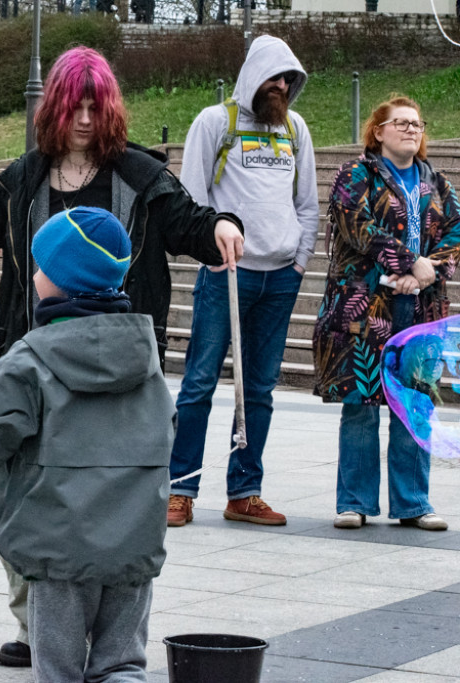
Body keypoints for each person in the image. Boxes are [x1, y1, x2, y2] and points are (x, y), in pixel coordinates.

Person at [0, 45, 243, 667]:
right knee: (26, 494)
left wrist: (220, 227)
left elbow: (188, 221)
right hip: (35, 358)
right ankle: (35, 623)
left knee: (117, 498)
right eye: (73, 107)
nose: (82, 120)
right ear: (54, 108)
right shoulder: (25, 176)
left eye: (94, 108)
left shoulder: (139, 175)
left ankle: (111, 645)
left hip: (120, 367)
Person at [0, 207, 173, 681]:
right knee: (123, 666)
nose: (36, 275)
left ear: (62, 280)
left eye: (42, 267)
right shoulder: (145, 357)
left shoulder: (31, 359)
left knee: (57, 670)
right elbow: (165, 434)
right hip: (133, 546)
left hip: (58, 549)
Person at [167, 35, 319, 528]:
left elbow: (308, 205)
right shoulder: (215, 123)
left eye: (288, 79)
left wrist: (298, 263)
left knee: (258, 389)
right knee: (198, 384)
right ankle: (179, 489)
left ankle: (245, 491)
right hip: (226, 275)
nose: (281, 86)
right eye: (274, 77)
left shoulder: (294, 129)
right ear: (253, 76)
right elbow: (190, 197)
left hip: (279, 279)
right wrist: (211, 256)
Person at [313, 96, 460, 531]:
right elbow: (356, 224)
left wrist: (427, 271)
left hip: (420, 306)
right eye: (401, 123)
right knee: (361, 402)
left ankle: (413, 503)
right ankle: (354, 502)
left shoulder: (438, 183)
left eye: (417, 124)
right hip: (363, 305)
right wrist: (406, 261)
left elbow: (456, 229)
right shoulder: (355, 175)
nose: (412, 130)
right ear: (378, 131)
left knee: (414, 403)